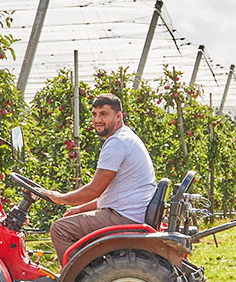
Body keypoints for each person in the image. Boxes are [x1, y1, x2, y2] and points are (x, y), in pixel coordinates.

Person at [46, 94, 157, 263]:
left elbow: (94, 190)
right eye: (94, 114)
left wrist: (59, 198)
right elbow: (110, 196)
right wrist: (78, 209)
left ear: (118, 116)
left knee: (60, 229)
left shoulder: (117, 142)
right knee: (72, 222)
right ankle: (90, 270)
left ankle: (80, 278)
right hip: (129, 213)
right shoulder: (125, 137)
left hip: (124, 218)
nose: (97, 120)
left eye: (103, 114)